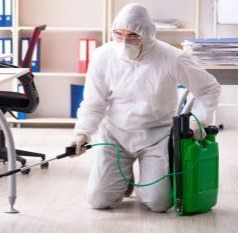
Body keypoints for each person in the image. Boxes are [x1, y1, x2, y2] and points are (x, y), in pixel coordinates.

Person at [71, 3, 221, 212]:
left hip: (156, 135)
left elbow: (208, 89)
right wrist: (82, 132)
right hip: (115, 134)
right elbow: (94, 101)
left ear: (147, 34)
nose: (125, 42)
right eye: (119, 34)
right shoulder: (102, 56)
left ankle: (144, 177)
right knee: (99, 201)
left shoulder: (173, 58)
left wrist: (199, 121)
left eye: (133, 36)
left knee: (159, 203)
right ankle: (125, 177)